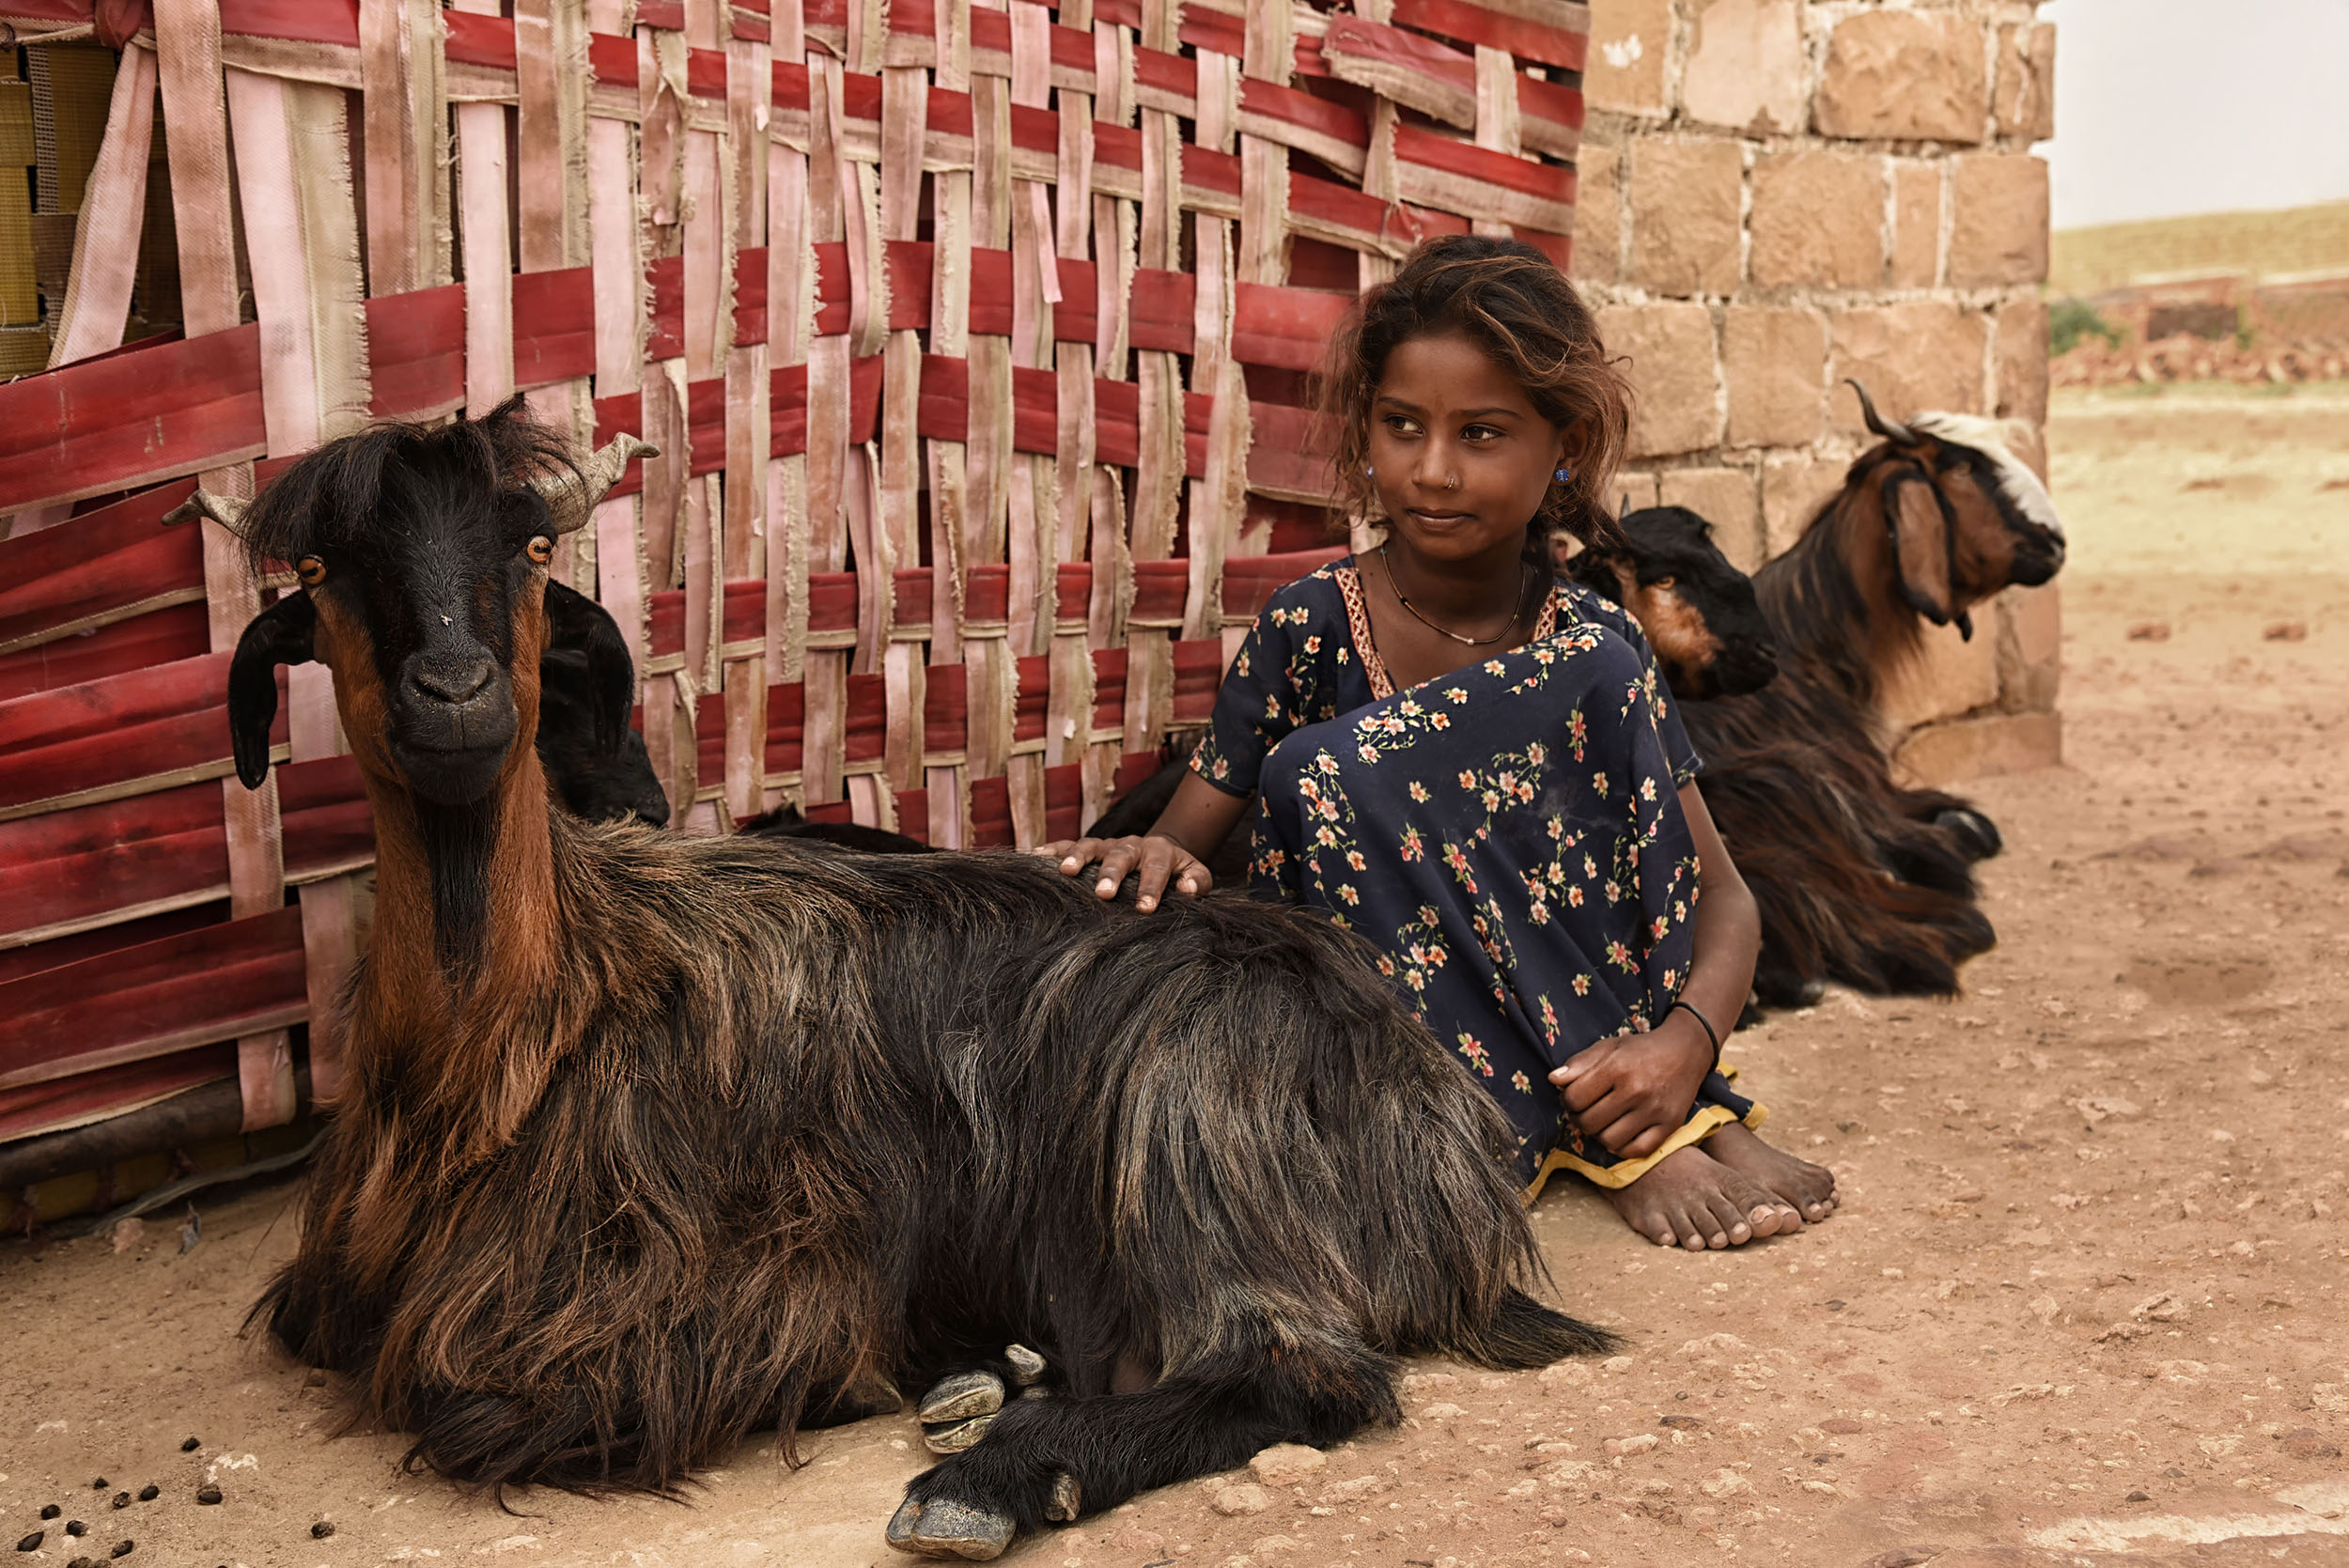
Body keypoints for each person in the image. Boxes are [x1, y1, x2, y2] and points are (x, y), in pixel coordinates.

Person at [1035, 235, 1837, 1250]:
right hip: (1391, 1047)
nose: (1434, 470)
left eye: (1483, 433)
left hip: (1628, 1034)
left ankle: (1659, 1097)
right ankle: (1625, 1134)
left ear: (1564, 446)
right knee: (1317, 769)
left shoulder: (1594, 643)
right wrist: (1159, 849)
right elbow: (1193, 837)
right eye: (1401, 427)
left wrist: (1684, 1044)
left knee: (1591, 670)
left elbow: (1723, 896)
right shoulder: (1311, 624)